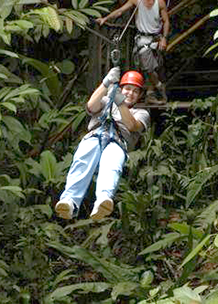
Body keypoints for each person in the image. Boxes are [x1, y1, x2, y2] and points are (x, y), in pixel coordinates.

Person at [55, 67, 150, 220]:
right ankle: (70, 200)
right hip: (95, 135)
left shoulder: (141, 113)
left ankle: (103, 200)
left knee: (111, 165)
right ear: (121, 88)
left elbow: (131, 125)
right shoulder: (106, 101)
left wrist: (120, 102)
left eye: (135, 91)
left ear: (139, 96)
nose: (130, 93)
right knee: (83, 159)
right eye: (127, 89)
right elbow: (91, 106)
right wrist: (106, 83)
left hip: (118, 142)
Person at [96, 0, 170, 104]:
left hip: (156, 39)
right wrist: (106, 18)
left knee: (153, 69)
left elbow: (166, 21)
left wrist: (164, 38)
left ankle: (150, 95)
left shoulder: (160, 3)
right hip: (143, 40)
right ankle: (159, 86)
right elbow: (120, 11)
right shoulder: (136, 1)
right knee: (148, 68)